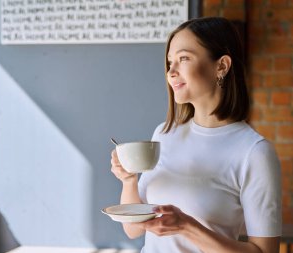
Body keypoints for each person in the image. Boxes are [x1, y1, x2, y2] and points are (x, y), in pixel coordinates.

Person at [111, 17, 281, 253]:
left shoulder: (255, 152)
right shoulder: (164, 134)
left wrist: (187, 227)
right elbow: (134, 230)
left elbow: (265, 252)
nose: (171, 72)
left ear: (221, 66)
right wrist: (129, 180)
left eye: (183, 59)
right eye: (170, 62)